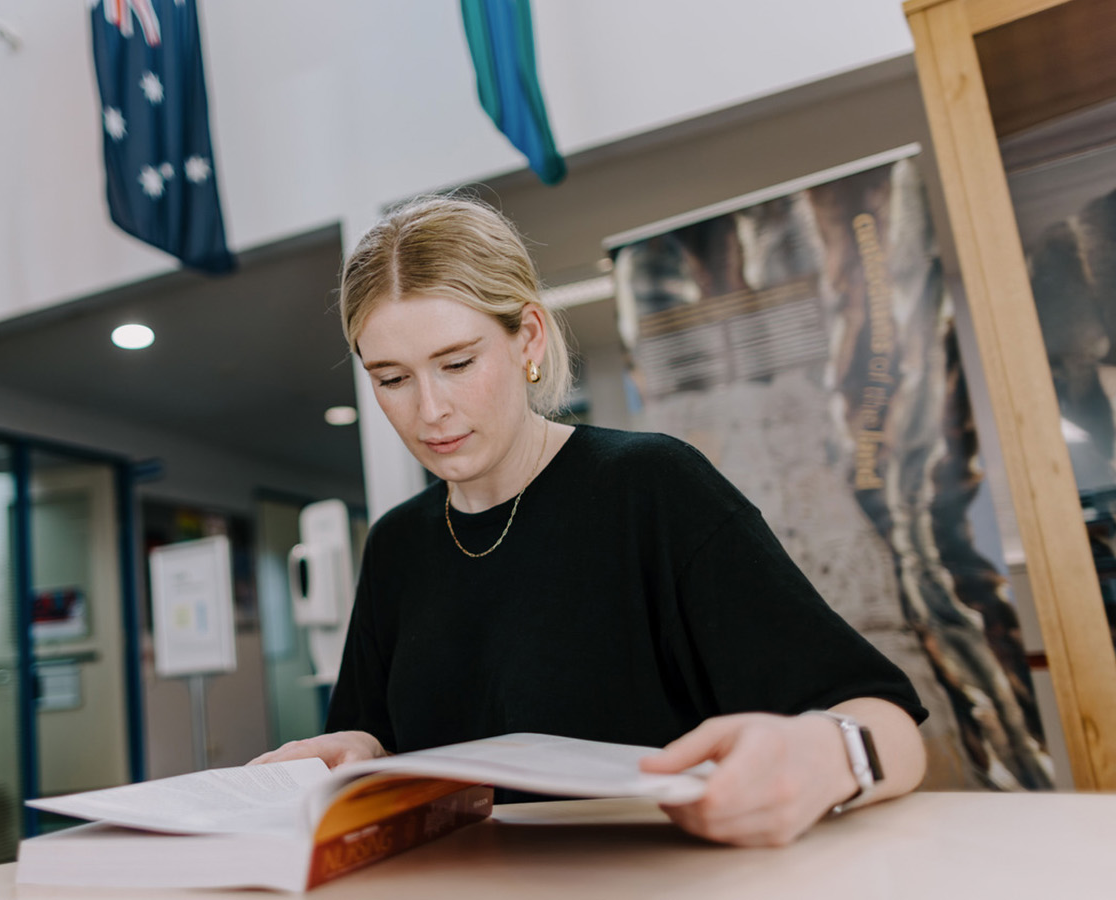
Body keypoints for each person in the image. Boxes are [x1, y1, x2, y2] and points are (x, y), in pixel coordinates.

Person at [251, 195, 928, 848]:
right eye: (392, 379)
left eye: (457, 364)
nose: (430, 410)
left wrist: (819, 757)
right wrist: (360, 749)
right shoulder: (397, 545)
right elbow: (380, 744)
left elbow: (889, 725)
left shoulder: (651, 487)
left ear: (529, 339)